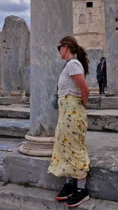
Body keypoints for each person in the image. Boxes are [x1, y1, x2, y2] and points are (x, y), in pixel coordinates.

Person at [49, 36, 91, 208]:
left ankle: (82, 190)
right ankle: (69, 184)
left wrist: (81, 106)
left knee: (75, 148)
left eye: (59, 47)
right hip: (66, 113)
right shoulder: (69, 65)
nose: (58, 50)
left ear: (65, 47)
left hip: (72, 112)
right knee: (65, 147)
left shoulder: (73, 64)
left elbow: (85, 89)